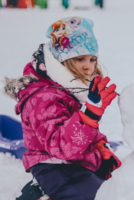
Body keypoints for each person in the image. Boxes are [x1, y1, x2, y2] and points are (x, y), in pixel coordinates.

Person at [4, 16, 121, 200]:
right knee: (99, 196)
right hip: (54, 167)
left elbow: (74, 129)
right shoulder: (43, 97)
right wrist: (89, 115)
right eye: (80, 58)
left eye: (92, 60)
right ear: (61, 60)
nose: (88, 67)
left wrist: (100, 145)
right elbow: (61, 146)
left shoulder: (66, 90)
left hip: (74, 161)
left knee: (115, 187)